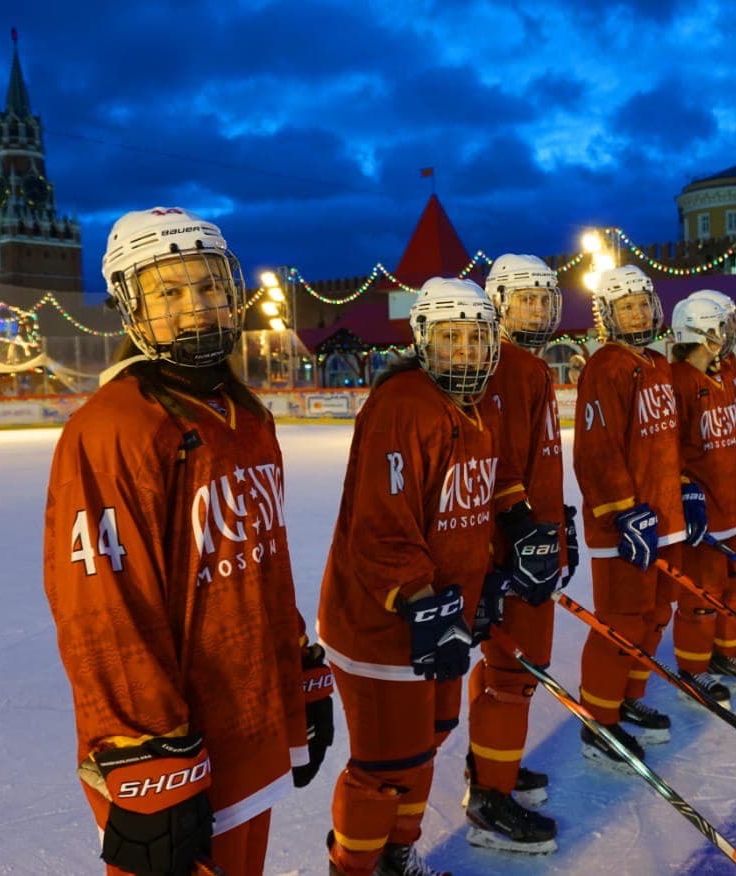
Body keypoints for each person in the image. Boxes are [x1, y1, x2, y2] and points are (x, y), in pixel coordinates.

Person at [43, 207, 330, 876]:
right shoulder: (114, 429)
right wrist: (144, 747)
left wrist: (299, 671)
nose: (196, 307)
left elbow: (263, 564)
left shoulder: (247, 416)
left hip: (250, 718)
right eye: (169, 292)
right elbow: (104, 610)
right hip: (175, 741)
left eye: (207, 287)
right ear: (132, 309)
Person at [320, 277, 504, 876]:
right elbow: (381, 526)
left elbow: (464, 516)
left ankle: (394, 856)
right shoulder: (404, 404)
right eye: (451, 338)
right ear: (424, 340)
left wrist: (481, 584)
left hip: (440, 613)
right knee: (385, 764)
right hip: (384, 623)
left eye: (476, 339)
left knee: (427, 739)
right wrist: (426, 602)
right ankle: (355, 867)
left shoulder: (473, 409)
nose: (466, 352)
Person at [465, 254, 569, 855]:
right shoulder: (503, 365)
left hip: (530, 536)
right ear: (498, 302)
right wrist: (522, 524)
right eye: (523, 298)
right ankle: (490, 798)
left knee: (507, 666)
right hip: (513, 548)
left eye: (540, 298)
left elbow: (537, 459)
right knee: (516, 666)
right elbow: (497, 456)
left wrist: (561, 523)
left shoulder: (530, 366)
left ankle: (490, 771)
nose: (534, 308)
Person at [574, 264, 688, 769]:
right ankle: (600, 722)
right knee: (620, 623)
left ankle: (627, 696)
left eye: (643, 303)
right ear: (608, 316)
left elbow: (664, 443)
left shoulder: (658, 364)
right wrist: (624, 512)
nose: (638, 312)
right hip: (626, 523)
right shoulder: (606, 366)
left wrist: (685, 491)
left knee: (655, 615)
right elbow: (597, 452)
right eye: (627, 306)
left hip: (664, 517)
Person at [669, 291, 736, 699]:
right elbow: (667, 446)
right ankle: (693, 667)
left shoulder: (721, 376)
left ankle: (726, 651)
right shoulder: (678, 382)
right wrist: (682, 489)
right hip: (703, 509)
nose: (727, 336)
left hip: (731, 505)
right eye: (720, 328)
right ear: (700, 332)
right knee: (702, 595)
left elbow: (734, 433)